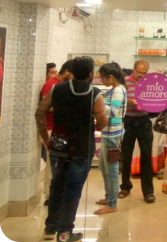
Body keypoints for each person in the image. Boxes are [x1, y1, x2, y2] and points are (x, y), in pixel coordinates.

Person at [35, 56, 107, 242]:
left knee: (57, 185)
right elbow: (102, 122)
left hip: (58, 145)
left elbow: (40, 113)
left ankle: (50, 228)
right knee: (73, 190)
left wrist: (45, 137)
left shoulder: (56, 89)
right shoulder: (95, 93)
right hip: (82, 148)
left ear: (72, 72)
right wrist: (97, 123)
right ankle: (65, 233)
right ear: (90, 74)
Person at [119, 60, 156, 203]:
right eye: (139, 72)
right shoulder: (124, 82)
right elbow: (117, 99)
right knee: (126, 155)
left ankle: (148, 192)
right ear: (133, 70)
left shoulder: (150, 83)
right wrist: (127, 101)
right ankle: (125, 187)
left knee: (146, 156)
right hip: (129, 121)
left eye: (144, 73)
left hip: (144, 122)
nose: (142, 75)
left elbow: (155, 100)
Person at [39, 60, 73, 206]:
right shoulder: (51, 85)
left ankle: (55, 193)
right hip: (49, 128)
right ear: (67, 72)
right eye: (73, 74)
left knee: (57, 161)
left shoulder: (60, 85)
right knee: (52, 162)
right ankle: (49, 195)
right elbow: (45, 107)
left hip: (56, 128)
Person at [94, 62, 127, 215]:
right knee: (104, 167)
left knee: (112, 170)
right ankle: (109, 198)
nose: (102, 81)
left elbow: (113, 111)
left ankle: (112, 203)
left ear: (111, 77)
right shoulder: (114, 90)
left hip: (113, 134)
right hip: (108, 133)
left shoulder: (118, 91)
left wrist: (99, 106)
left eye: (103, 78)